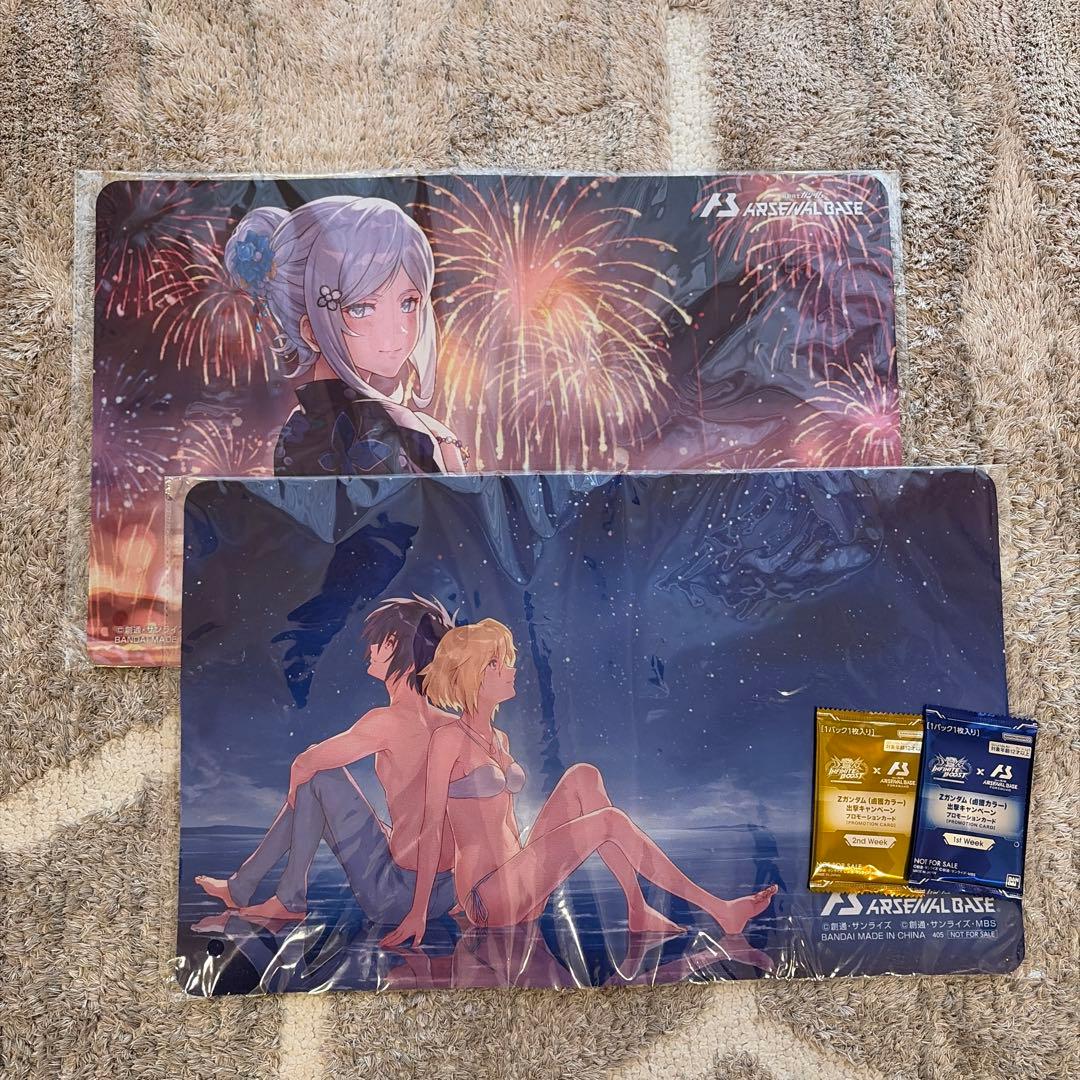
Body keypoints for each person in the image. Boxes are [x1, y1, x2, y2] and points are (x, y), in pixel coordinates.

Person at [381, 619, 778, 948]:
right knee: (610, 822)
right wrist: (418, 911)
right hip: (489, 897)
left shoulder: (500, 739)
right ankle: (720, 909)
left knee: (583, 776)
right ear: (473, 675)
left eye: (507, 660)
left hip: (522, 883)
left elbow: (502, 823)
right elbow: (432, 829)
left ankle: (638, 908)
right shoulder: (448, 740)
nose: (510, 669)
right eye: (496, 663)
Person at [195, 596, 460, 924]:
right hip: (447, 892)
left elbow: (304, 764)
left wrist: (298, 798)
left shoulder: (387, 721)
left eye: (380, 640)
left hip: (397, 898)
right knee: (319, 780)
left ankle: (282, 898)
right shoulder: (452, 725)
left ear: (397, 647)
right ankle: (246, 888)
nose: (370, 648)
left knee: (317, 776)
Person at [225, 197, 468, 476]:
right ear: (311, 331)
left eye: (408, 303)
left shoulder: (299, 424)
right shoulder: (395, 431)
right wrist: (450, 461)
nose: (397, 329)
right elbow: (442, 505)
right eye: (362, 308)